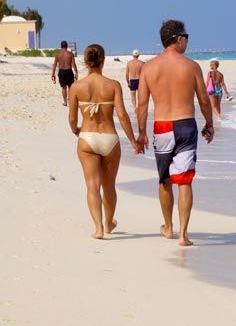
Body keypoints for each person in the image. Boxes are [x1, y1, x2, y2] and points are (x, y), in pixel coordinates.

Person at [136, 20, 214, 246]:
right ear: (178, 38)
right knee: (185, 181)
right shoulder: (191, 66)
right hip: (186, 125)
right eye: (186, 36)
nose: (188, 41)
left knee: (165, 180)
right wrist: (209, 124)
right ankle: (183, 235)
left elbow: (142, 105)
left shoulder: (149, 68)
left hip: (162, 126)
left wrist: (141, 133)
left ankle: (168, 227)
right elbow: (204, 100)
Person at [68, 44, 139, 239]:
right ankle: (109, 223)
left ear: (85, 61)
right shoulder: (113, 85)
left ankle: (98, 228)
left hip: (87, 138)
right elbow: (123, 116)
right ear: (103, 60)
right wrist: (133, 141)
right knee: (109, 185)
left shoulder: (76, 87)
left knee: (92, 185)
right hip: (109, 138)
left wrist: (76, 131)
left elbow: (73, 119)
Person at [51, 40, 78, 106]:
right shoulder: (70, 54)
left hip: (61, 71)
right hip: (68, 71)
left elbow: (54, 64)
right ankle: (70, 101)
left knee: (63, 88)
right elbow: (73, 64)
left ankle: (65, 102)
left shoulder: (58, 54)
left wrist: (53, 73)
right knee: (70, 87)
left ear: (61, 46)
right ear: (67, 46)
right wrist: (76, 72)